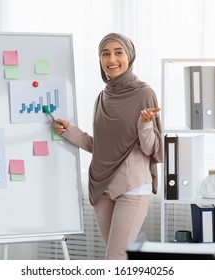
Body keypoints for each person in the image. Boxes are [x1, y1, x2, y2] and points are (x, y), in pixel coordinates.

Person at [52, 33, 163, 260]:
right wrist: (69, 130)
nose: (111, 59)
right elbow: (100, 146)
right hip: (102, 187)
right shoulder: (102, 97)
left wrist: (144, 124)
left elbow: (153, 148)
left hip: (132, 186)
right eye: (105, 54)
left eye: (118, 52)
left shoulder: (144, 93)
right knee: (116, 257)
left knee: (115, 256)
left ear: (129, 56)